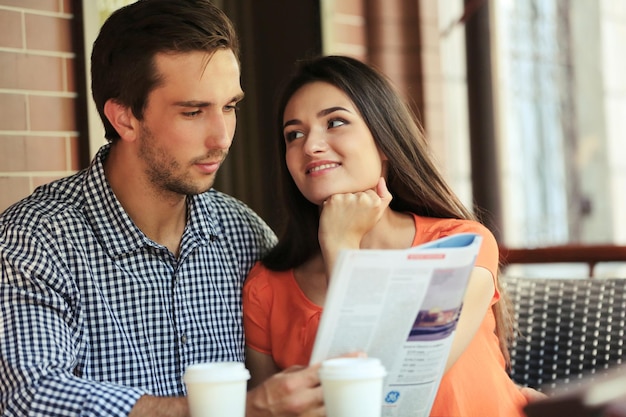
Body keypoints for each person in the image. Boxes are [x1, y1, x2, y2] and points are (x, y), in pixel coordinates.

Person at [0, 1, 324, 416]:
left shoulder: (246, 235)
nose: (222, 137)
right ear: (124, 118)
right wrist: (229, 410)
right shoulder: (33, 241)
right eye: (193, 112)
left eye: (230, 106)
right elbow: (31, 396)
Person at [242, 55, 530, 416]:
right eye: (294, 134)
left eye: (335, 122)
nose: (310, 145)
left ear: (384, 142)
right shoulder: (267, 288)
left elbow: (396, 382)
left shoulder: (460, 246)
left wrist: (342, 246)